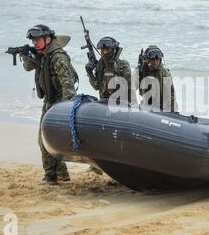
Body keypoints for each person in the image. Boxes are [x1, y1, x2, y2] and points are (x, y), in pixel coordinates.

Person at [21, 24, 78, 184]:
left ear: (48, 39)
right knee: (44, 141)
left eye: (37, 40)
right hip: (49, 101)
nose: (35, 43)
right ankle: (61, 174)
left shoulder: (58, 58)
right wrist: (26, 55)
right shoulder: (42, 55)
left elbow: (69, 89)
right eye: (33, 40)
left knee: (45, 140)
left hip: (59, 103)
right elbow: (28, 67)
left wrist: (64, 112)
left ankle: (51, 176)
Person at [85, 37, 134, 103]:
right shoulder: (100, 66)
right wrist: (90, 73)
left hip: (120, 105)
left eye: (107, 49)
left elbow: (130, 89)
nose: (104, 52)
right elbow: (96, 87)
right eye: (102, 50)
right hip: (104, 104)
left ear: (114, 50)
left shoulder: (122, 65)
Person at [135, 45, 177, 112]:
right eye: (152, 59)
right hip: (146, 107)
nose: (155, 62)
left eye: (157, 59)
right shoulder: (141, 70)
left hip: (163, 109)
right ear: (147, 59)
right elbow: (131, 87)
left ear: (160, 60)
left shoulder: (165, 73)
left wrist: (174, 112)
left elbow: (171, 96)